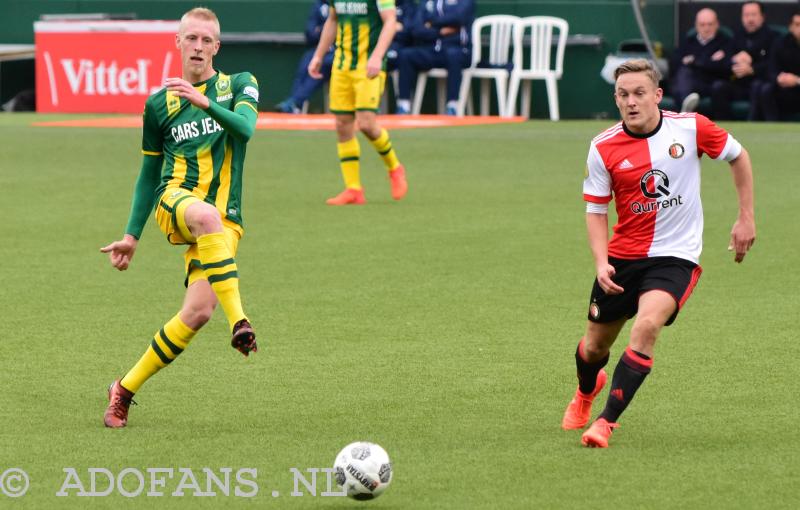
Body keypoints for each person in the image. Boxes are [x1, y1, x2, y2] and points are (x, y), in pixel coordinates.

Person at [561, 59, 755, 448]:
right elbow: (596, 210)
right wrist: (601, 263)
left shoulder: (691, 127)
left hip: (675, 257)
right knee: (594, 348)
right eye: (623, 94)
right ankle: (586, 391)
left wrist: (745, 217)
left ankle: (605, 424)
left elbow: (738, 155)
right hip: (622, 259)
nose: (631, 102)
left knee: (646, 327)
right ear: (615, 98)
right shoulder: (602, 146)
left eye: (639, 93)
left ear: (657, 95)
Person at [100, 7, 260, 428]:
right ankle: (240, 321)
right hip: (176, 202)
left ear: (217, 47)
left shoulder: (240, 84)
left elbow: (245, 130)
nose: (199, 47)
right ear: (178, 42)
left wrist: (205, 102)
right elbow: (148, 172)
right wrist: (132, 235)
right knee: (205, 215)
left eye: (207, 40)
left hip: (226, 219)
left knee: (197, 313)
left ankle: (123, 389)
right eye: (192, 38)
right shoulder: (158, 105)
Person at [308, 0, 408, 206]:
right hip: (342, 65)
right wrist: (318, 55)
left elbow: (390, 22)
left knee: (366, 124)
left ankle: (394, 167)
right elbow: (333, 20)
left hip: (369, 66)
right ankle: (353, 189)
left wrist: (377, 57)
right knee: (342, 124)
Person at [395, 0, 474, 115]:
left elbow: (458, 17)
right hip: (433, 50)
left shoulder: (466, 2)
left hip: (459, 51)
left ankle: (452, 106)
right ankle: (403, 105)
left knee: (453, 54)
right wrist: (440, 32)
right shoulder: (427, 2)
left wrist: (431, 21)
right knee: (406, 55)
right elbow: (416, 30)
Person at [711, 1, 778, 120]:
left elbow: (774, 64)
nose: (750, 19)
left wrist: (752, 69)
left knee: (758, 86)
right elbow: (722, 62)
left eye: (754, 15)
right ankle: (725, 128)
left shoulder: (773, 37)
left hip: (760, 84)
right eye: (746, 15)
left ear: (762, 17)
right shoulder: (735, 36)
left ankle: (752, 125)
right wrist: (734, 61)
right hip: (738, 84)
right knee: (718, 87)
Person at [275, 0, 335, 114]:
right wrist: (323, 34)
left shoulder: (340, 5)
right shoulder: (319, 5)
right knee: (305, 64)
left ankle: (295, 102)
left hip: (338, 51)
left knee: (321, 66)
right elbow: (310, 33)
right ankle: (294, 103)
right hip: (319, 49)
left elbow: (336, 27)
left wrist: (322, 30)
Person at [669, 8, 731, 113]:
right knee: (683, 75)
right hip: (691, 84)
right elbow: (675, 64)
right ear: (696, 26)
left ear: (717, 24)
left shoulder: (725, 42)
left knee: (718, 87)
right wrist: (708, 61)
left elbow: (725, 67)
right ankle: (687, 107)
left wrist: (694, 61)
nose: (706, 28)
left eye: (710, 24)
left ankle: (686, 113)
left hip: (712, 84)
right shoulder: (688, 42)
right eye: (702, 25)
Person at [759, 11, 800, 121]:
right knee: (766, 89)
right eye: (797, 25)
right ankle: (771, 127)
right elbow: (771, 68)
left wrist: (797, 80)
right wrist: (779, 78)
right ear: (790, 27)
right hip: (785, 90)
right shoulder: (780, 43)